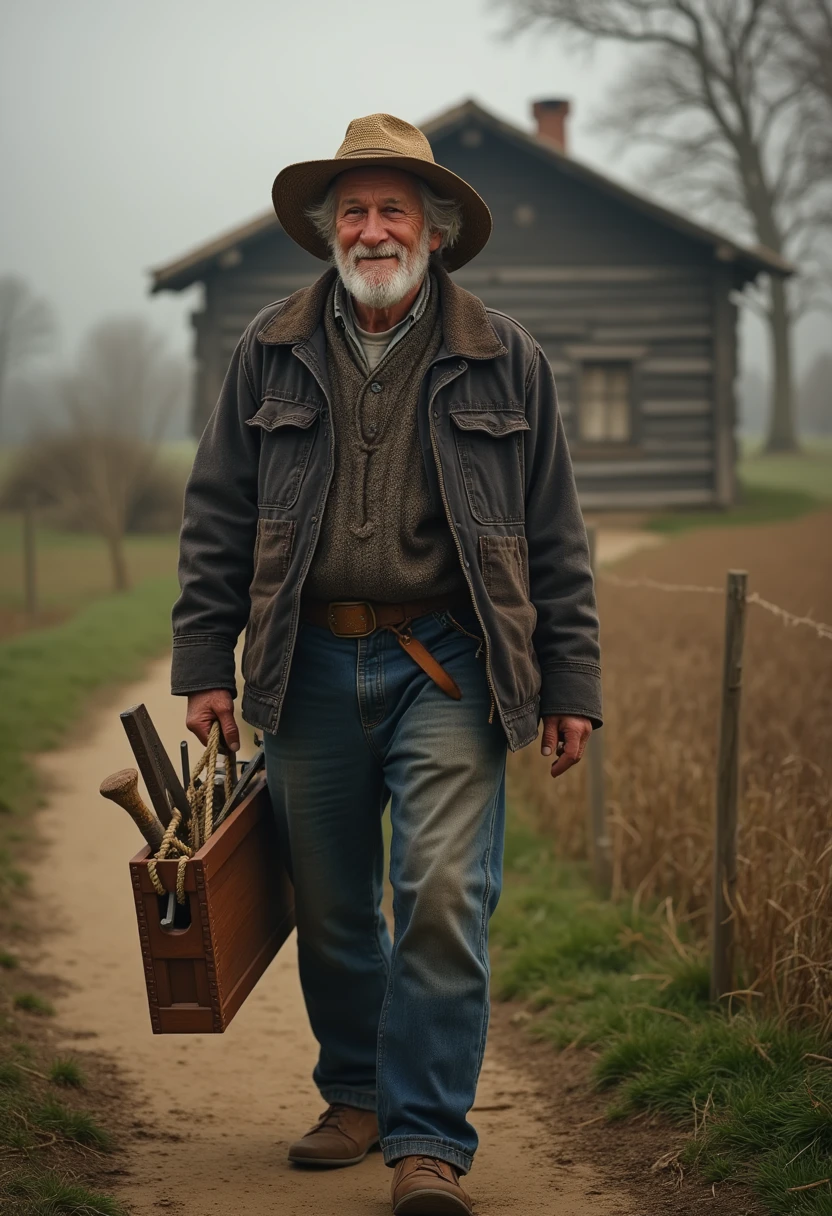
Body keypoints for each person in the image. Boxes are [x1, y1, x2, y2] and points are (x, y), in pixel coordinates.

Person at [172, 112, 602, 1216]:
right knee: (330, 898)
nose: (371, 229)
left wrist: (570, 684)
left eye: (392, 210)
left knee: (444, 893)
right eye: (352, 210)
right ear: (328, 227)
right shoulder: (267, 350)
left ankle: (425, 1141)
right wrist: (203, 663)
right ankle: (355, 1090)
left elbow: (554, 534)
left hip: (448, 664)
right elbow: (216, 515)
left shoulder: (508, 356)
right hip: (305, 661)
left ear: (436, 229)